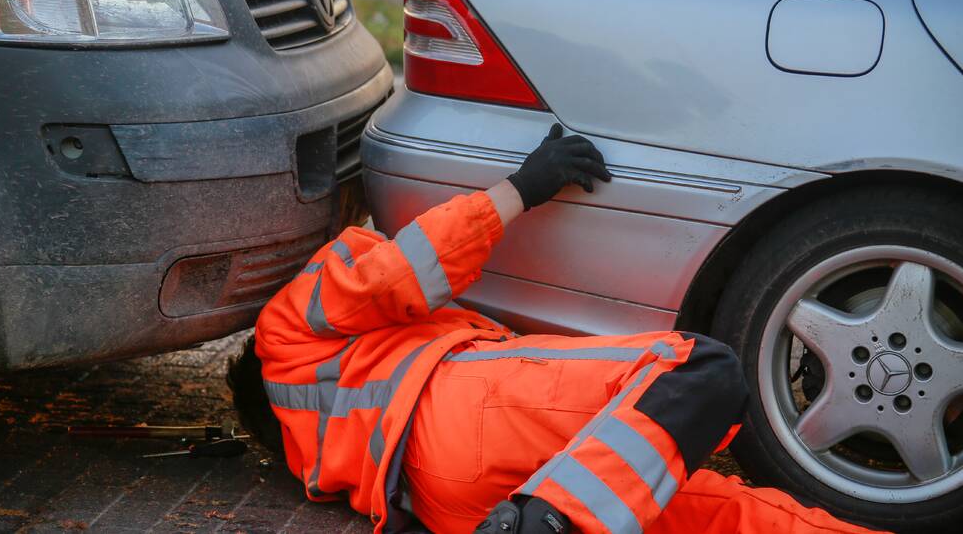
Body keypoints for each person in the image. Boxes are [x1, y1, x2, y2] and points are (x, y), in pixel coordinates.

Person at [248, 125, 885, 534]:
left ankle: (544, 521)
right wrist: (522, 187)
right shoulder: (283, 328)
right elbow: (399, 273)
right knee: (699, 372)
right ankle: (546, 523)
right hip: (469, 419)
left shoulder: (312, 439)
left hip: (456, 507)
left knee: (722, 511)